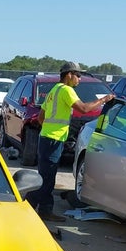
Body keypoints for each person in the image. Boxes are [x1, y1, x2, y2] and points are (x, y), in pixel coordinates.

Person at [27, 61, 115, 222]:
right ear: (69, 75)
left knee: (47, 176)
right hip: (53, 140)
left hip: (46, 138)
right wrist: (104, 100)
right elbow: (84, 109)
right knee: (47, 178)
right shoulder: (67, 90)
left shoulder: (54, 90)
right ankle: (27, 206)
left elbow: (41, 117)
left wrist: (51, 129)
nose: (79, 79)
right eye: (78, 75)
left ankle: (44, 209)